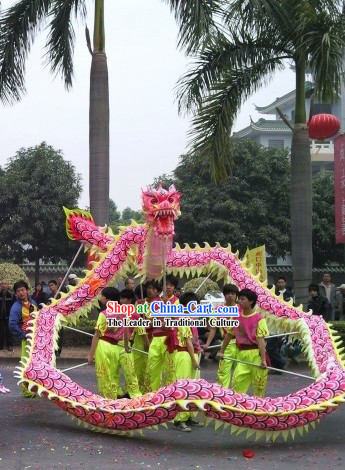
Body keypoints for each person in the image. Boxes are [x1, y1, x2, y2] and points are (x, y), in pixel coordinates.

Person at [88, 287, 141, 399]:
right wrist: (126, 346)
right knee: (112, 375)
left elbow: (97, 335)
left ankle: (108, 401)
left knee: (105, 376)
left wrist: (90, 355)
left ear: (107, 298)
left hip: (104, 345)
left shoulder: (104, 314)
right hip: (115, 347)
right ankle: (114, 399)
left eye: (102, 296)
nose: (100, 298)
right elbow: (126, 332)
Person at [172, 292, 202, 432]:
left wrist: (198, 350)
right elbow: (188, 342)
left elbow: (194, 340)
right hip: (185, 355)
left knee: (193, 387)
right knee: (184, 387)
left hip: (191, 354)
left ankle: (188, 415)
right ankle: (179, 419)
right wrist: (193, 359)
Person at [232, 289, 268, 398]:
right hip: (242, 354)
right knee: (237, 384)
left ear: (251, 301)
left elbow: (260, 341)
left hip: (256, 354)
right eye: (239, 299)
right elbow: (229, 335)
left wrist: (263, 360)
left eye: (243, 299)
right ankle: (237, 410)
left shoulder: (259, 318)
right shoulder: (236, 317)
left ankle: (259, 411)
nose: (239, 301)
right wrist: (221, 351)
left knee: (259, 385)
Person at [9, 280, 38, 397]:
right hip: (27, 340)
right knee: (26, 364)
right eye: (18, 291)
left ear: (27, 290)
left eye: (22, 290)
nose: (21, 293)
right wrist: (23, 335)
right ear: (16, 294)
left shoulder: (33, 303)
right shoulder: (16, 307)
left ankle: (36, 387)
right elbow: (12, 324)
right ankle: (27, 391)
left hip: (37, 340)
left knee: (36, 364)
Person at [145, 280, 175, 391]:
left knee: (169, 368)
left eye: (171, 285)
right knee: (152, 368)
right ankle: (153, 393)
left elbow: (175, 320)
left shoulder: (176, 302)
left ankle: (169, 393)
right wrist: (162, 323)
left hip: (169, 338)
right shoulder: (154, 303)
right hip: (156, 338)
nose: (168, 287)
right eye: (166, 285)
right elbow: (149, 321)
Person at [215, 284, 240, 388]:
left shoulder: (241, 309)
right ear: (224, 295)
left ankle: (238, 397)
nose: (230, 296)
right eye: (228, 294)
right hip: (225, 344)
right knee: (223, 373)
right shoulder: (217, 310)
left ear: (236, 295)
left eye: (233, 294)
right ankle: (223, 397)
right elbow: (212, 328)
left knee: (239, 374)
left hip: (240, 344)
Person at [266, 277, 292, 372]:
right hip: (268, 328)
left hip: (275, 328)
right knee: (272, 348)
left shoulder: (276, 301)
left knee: (270, 348)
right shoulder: (267, 301)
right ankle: (277, 367)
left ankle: (281, 363)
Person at [0, 279, 14, 351]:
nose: (3, 285)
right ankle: (1, 345)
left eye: (5, 283)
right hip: (1, 316)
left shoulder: (11, 294)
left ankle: (10, 345)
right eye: (2, 284)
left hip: (8, 316)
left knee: (9, 331)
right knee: (1, 331)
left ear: (8, 285)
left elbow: (14, 305)